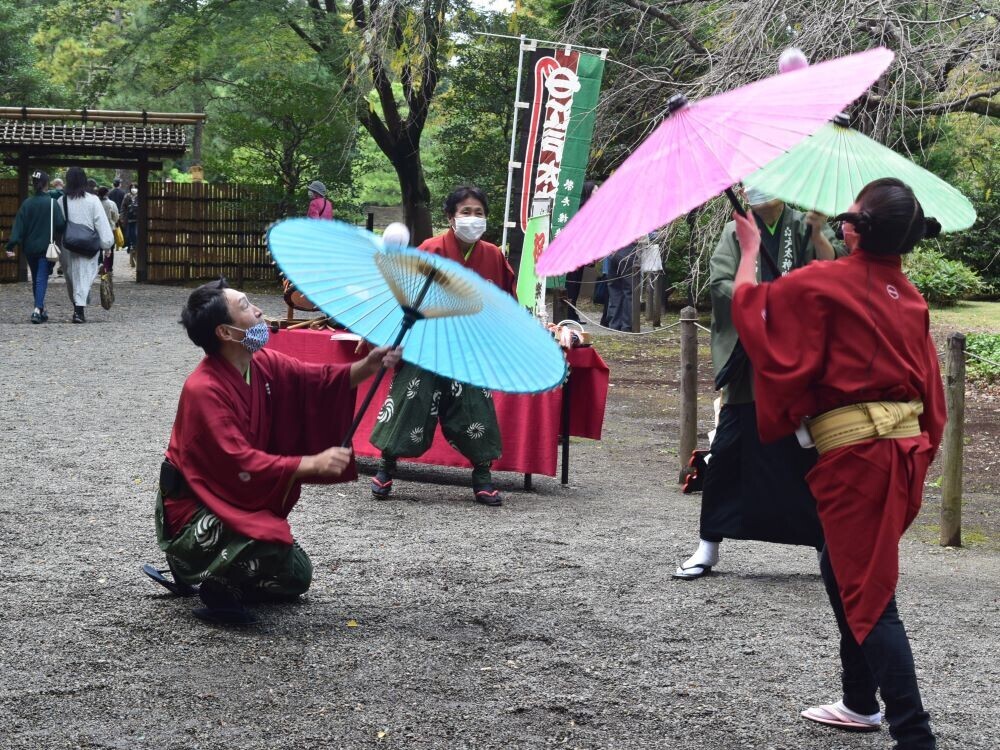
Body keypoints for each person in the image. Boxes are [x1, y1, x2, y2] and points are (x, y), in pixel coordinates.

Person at [729, 177, 945, 749]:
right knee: (840, 564)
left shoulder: (827, 282)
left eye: (849, 214)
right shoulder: (910, 295)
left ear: (855, 228)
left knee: (869, 595)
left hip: (859, 458)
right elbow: (931, 393)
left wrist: (751, 251)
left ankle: (914, 735)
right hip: (899, 450)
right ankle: (858, 701)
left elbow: (755, 313)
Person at [148, 279, 401, 624]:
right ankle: (200, 569)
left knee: (297, 576)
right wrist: (310, 462)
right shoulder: (203, 388)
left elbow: (320, 381)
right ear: (225, 332)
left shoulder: (263, 362)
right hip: (195, 508)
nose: (258, 310)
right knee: (267, 546)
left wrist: (371, 364)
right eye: (246, 306)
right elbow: (239, 460)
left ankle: (221, 573)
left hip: (234, 495)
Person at [674, 183, 841, 579]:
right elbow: (720, 284)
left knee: (809, 457)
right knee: (729, 450)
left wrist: (818, 235)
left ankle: (828, 548)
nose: (757, 187)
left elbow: (836, 271)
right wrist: (764, 302)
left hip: (800, 361)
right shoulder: (737, 231)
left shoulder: (805, 224)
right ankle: (708, 546)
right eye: (751, 180)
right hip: (750, 361)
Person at [369, 186, 516, 507]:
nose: (472, 219)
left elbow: (506, 304)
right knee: (410, 398)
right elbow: (404, 296)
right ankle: (385, 466)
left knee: (477, 406)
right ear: (451, 217)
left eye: (479, 213)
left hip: (470, 348)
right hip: (428, 343)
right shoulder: (430, 249)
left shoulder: (493, 256)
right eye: (466, 212)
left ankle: (482, 476)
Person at [4, 171, 66, 323]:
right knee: (41, 278)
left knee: (37, 278)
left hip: (29, 248)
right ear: (46, 183)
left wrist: (11, 246)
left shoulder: (27, 203)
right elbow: (60, 225)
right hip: (46, 247)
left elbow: (19, 227)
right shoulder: (52, 203)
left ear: (33, 183)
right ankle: (37, 309)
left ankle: (41, 309)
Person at [60, 166, 114, 323]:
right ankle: (79, 309)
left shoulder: (61, 200)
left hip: (68, 245)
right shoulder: (93, 200)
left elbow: (58, 226)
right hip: (88, 245)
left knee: (71, 276)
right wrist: (107, 244)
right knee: (83, 275)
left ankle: (78, 306)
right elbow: (102, 224)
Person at [562, 180, 598, 323]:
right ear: (588, 192)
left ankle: (572, 313)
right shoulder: (581, 209)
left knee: (576, 284)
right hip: (574, 251)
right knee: (572, 283)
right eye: (595, 190)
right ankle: (569, 313)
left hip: (582, 252)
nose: (598, 193)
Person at [97, 186, 120, 274]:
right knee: (110, 248)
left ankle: (100, 263)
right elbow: (116, 217)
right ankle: (109, 267)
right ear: (107, 193)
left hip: (98, 229)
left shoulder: (96, 203)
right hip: (109, 229)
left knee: (98, 248)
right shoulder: (111, 203)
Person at [120, 182, 139, 266]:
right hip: (129, 218)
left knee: (136, 233)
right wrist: (122, 217)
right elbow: (123, 207)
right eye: (132, 187)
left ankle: (135, 246)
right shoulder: (127, 196)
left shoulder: (140, 196)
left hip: (138, 218)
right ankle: (131, 246)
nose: (133, 189)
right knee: (129, 234)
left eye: (135, 187)